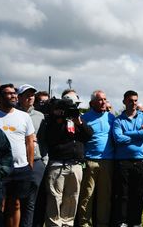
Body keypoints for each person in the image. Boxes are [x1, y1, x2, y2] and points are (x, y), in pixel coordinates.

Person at [0, 84, 36, 227]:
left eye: (14, 93)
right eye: (8, 94)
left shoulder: (24, 117)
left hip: (20, 169)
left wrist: (30, 164)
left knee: (15, 204)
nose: (13, 96)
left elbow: (29, 142)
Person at [43, 91, 92, 227]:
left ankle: (67, 224)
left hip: (76, 165)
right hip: (58, 164)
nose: (73, 108)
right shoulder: (53, 120)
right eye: (70, 106)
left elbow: (88, 135)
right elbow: (51, 139)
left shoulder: (79, 118)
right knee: (54, 198)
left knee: (72, 198)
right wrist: (59, 119)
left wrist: (79, 122)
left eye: (76, 105)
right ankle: (53, 225)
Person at [111, 90, 143, 227]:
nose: (133, 103)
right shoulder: (118, 120)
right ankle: (122, 221)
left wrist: (127, 133)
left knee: (138, 195)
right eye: (130, 100)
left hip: (140, 161)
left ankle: (135, 222)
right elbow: (118, 138)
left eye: (135, 100)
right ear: (124, 102)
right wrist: (137, 134)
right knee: (123, 194)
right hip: (123, 162)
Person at [77, 91, 114, 227]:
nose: (103, 102)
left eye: (105, 99)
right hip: (90, 160)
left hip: (108, 160)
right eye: (100, 100)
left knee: (105, 196)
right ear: (92, 103)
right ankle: (84, 223)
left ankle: (102, 224)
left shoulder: (112, 118)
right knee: (87, 195)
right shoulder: (84, 118)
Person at [16, 84, 47, 227]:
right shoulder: (12, 113)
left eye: (32, 95)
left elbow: (44, 140)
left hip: (36, 161)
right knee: (15, 201)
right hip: (17, 162)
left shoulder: (40, 116)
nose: (30, 97)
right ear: (19, 97)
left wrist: (44, 160)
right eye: (27, 95)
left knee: (31, 201)